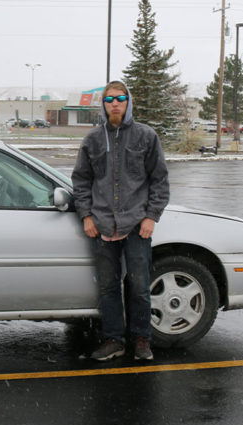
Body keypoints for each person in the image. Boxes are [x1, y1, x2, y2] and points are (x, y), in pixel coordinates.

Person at [71, 81, 170, 361]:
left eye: (121, 98)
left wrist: (151, 216)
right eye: (109, 99)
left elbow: (159, 180)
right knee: (108, 287)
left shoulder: (146, 136)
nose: (115, 103)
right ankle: (113, 339)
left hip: (137, 225)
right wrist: (86, 215)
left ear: (128, 103)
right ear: (103, 104)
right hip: (101, 225)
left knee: (139, 286)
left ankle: (141, 339)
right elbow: (81, 180)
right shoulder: (92, 139)